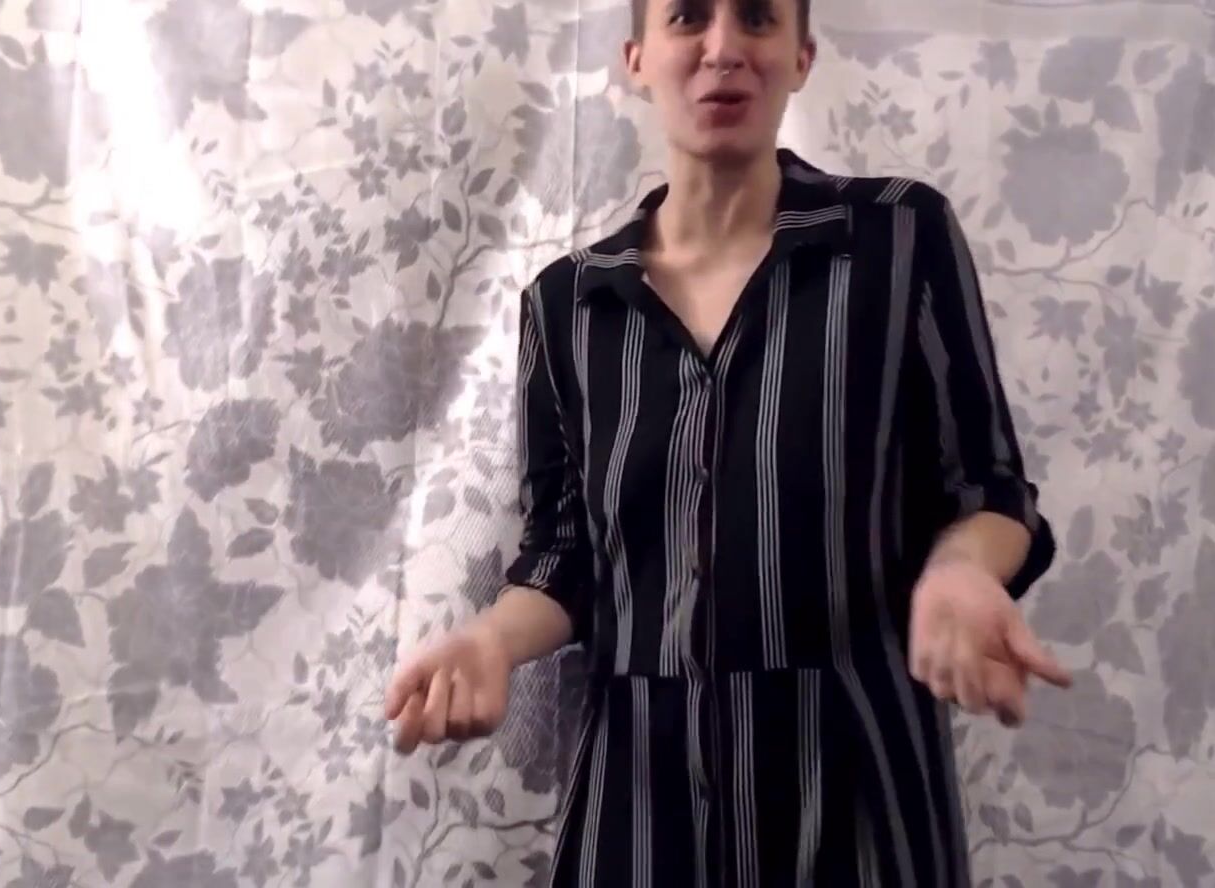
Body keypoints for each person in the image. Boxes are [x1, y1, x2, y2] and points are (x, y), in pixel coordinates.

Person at [385, 0, 1073, 884]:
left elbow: (989, 488)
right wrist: (490, 641)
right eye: (687, 19)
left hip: (858, 784)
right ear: (637, 58)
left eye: (756, 19)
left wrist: (961, 572)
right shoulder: (566, 305)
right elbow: (563, 556)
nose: (722, 49)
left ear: (801, 56)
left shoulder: (899, 238)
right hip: (637, 801)